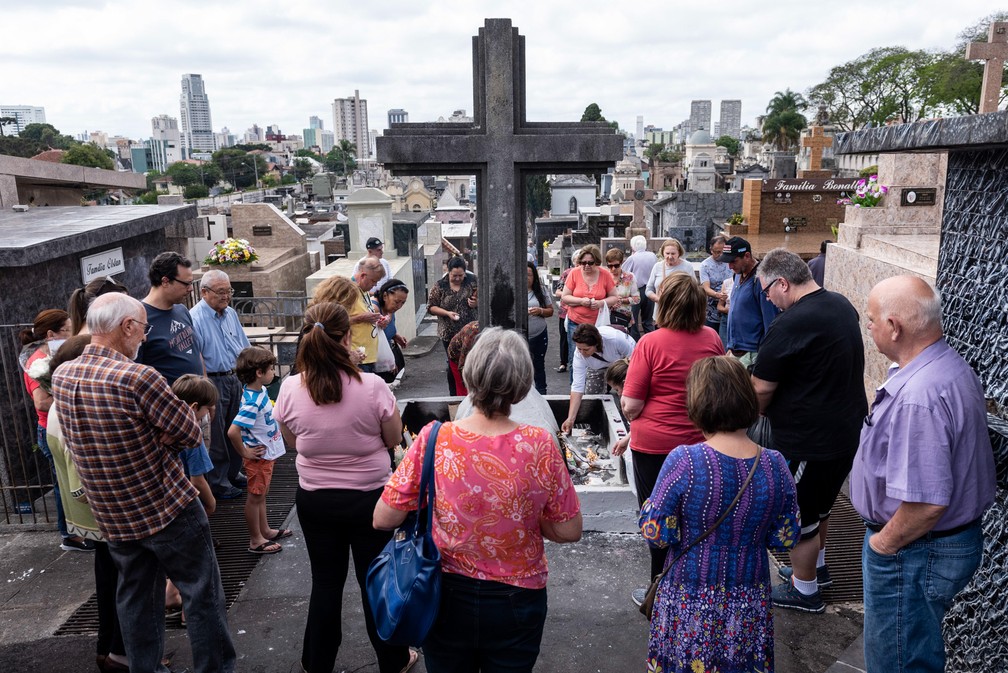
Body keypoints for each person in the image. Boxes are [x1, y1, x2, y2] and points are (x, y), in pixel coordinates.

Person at [374, 327, 582, 673]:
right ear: (521, 384)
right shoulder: (540, 444)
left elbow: (383, 518)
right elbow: (570, 528)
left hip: (444, 592)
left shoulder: (434, 438)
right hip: (518, 597)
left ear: (469, 375)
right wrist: (526, 516)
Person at [51, 292, 236, 673]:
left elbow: (86, 435)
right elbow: (188, 431)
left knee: (135, 598)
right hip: (166, 507)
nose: (145, 338)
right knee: (202, 594)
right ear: (127, 327)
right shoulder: (139, 376)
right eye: (143, 329)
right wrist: (159, 432)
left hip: (113, 513)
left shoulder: (63, 374)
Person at [853, 276, 996, 673]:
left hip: (913, 551)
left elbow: (927, 502)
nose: (869, 326)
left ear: (895, 327)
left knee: (898, 661)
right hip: (932, 546)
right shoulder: (945, 365)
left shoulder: (919, 396)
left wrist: (882, 546)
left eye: (872, 319)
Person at [272, 302, 415, 673]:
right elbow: (393, 437)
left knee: (325, 583)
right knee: (376, 583)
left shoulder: (289, 387)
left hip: (315, 498)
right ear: (347, 336)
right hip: (370, 498)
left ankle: (316, 662)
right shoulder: (371, 387)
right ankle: (393, 659)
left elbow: (292, 441)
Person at [639, 355, 799, 673]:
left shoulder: (684, 460)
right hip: (749, 597)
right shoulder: (776, 464)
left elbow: (656, 533)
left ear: (698, 403)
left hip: (688, 595)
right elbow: (786, 537)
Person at [749, 249, 868, 614]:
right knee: (822, 506)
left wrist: (752, 420)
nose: (767, 298)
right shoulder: (839, 304)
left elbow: (760, 388)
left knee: (798, 515)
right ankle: (817, 570)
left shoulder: (792, 323)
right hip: (845, 431)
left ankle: (805, 592)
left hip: (810, 439)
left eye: (767, 291)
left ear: (783, 282)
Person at [621, 273, 724, 604]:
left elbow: (631, 405)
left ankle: (659, 588)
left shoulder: (650, 343)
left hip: (655, 446)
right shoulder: (711, 338)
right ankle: (691, 584)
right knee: (696, 515)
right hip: (701, 442)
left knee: (657, 516)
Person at [47, 335, 128, 672]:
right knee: (124, 585)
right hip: (103, 514)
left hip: (90, 519)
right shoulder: (69, 406)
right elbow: (79, 474)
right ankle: (120, 654)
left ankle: (108, 649)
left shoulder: (58, 403)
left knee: (109, 581)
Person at [19, 309, 92, 551]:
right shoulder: (36, 362)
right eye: (67, 331)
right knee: (65, 484)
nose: (71, 335)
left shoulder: (54, 355)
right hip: (51, 429)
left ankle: (77, 531)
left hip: (63, 426)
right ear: (51, 334)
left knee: (69, 482)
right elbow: (41, 402)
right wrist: (71, 397)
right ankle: (70, 535)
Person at [191, 268, 252, 500]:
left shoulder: (230, 314)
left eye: (229, 291)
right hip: (213, 379)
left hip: (234, 376)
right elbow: (198, 356)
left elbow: (242, 344)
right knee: (217, 434)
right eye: (221, 292)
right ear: (204, 292)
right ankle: (219, 482)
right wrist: (206, 390)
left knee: (236, 427)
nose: (226, 296)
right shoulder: (195, 317)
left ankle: (234, 472)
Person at [165, 374, 220, 625]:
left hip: (167, 502)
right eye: (209, 408)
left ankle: (170, 595)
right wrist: (211, 503)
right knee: (197, 563)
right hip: (188, 503)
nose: (210, 413)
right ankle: (191, 611)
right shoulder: (192, 433)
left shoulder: (164, 425)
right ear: (195, 408)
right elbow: (198, 479)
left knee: (176, 555)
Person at [228, 346, 288, 556]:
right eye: (271, 369)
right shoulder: (251, 403)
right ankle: (255, 539)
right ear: (259, 373)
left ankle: (265, 530)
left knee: (262, 494)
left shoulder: (259, 391)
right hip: (259, 457)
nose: (274, 372)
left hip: (266, 454)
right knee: (255, 497)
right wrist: (245, 452)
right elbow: (233, 431)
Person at [137, 251, 204, 385]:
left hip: (198, 400)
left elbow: (197, 353)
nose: (191, 289)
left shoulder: (182, 310)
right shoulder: (138, 318)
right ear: (165, 281)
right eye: (186, 284)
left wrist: (206, 387)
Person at [561, 323, 635, 433]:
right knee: (592, 395)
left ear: (596, 344)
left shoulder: (615, 339)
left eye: (586, 349)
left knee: (625, 396)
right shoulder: (579, 355)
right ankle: (599, 427)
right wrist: (571, 418)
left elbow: (635, 362)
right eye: (579, 348)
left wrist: (625, 389)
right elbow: (577, 386)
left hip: (623, 363)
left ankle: (629, 426)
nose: (582, 353)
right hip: (597, 367)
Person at [720, 236, 780, 368]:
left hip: (752, 354)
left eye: (733, 261)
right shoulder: (738, 274)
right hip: (735, 350)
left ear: (747, 256)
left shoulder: (761, 281)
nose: (730, 266)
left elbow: (771, 322)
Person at [561, 244, 618, 371]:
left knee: (597, 355)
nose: (586, 266)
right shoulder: (574, 273)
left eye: (590, 263)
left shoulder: (605, 275)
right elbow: (565, 297)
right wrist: (581, 301)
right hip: (575, 322)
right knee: (575, 357)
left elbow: (614, 297)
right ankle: (575, 387)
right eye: (583, 262)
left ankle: (595, 387)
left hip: (597, 323)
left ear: (596, 262)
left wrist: (601, 303)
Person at [427, 256, 478, 394]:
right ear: (448, 272)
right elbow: (431, 307)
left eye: (460, 275)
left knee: (471, 363)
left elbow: (482, 297)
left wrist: (476, 303)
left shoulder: (472, 282)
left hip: (470, 332)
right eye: (454, 275)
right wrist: (447, 313)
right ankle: (454, 394)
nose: (457, 278)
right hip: (448, 332)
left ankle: (472, 392)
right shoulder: (440, 286)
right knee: (453, 364)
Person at [645, 238, 694, 324]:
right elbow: (648, 289)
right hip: (661, 315)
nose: (670, 257)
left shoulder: (687, 266)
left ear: (679, 253)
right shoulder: (657, 266)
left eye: (673, 253)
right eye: (667, 253)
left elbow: (694, 289)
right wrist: (659, 299)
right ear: (663, 253)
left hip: (681, 315)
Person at [374, 278, 411, 381]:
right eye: (397, 302)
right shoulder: (375, 309)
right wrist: (389, 361)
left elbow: (384, 331)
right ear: (385, 296)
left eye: (403, 303)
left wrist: (394, 335)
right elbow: (376, 339)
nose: (399, 306)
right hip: (378, 361)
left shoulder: (390, 308)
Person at [621, 235, 657, 338]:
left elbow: (624, 273)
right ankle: (651, 342)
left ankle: (636, 343)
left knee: (634, 321)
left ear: (633, 246)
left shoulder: (632, 258)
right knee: (648, 320)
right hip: (650, 291)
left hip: (637, 291)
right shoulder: (652, 256)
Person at [526, 261, 554, 394]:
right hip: (520, 335)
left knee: (538, 365)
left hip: (538, 333)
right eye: (524, 274)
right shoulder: (513, 289)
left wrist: (540, 311)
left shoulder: (540, 290)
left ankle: (542, 393)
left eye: (529, 275)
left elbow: (550, 311)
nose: (526, 278)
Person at [699, 234, 731, 340]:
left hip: (729, 307)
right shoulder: (705, 265)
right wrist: (717, 295)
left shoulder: (730, 262)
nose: (720, 255)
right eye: (717, 252)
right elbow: (706, 287)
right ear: (711, 250)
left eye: (722, 252)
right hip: (712, 309)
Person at [604, 247, 639, 332]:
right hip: (605, 318)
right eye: (610, 266)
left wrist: (622, 300)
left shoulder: (630, 277)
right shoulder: (603, 276)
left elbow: (637, 299)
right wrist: (610, 301)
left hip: (623, 318)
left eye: (616, 266)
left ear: (621, 263)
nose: (613, 269)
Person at [552, 257, 575, 372]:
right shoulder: (567, 273)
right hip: (565, 310)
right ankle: (563, 362)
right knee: (564, 337)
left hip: (580, 312)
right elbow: (557, 291)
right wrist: (570, 295)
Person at [446, 320, 480, 396]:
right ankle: (462, 404)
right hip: (457, 356)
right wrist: (464, 381)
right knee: (464, 389)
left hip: (474, 355)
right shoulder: (472, 333)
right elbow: (462, 363)